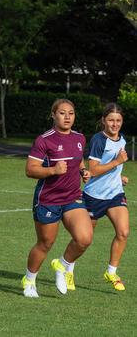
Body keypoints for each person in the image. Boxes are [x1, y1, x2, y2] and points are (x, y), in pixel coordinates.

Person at [22, 98, 92, 298]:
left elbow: (78, 161)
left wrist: (83, 171)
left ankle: (61, 265)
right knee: (45, 243)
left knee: (84, 238)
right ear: (53, 115)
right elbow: (30, 170)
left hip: (72, 197)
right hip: (48, 199)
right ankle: (29, 280)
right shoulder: (44, 140)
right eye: (62, 113)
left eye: (71, 113)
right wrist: (53, 169)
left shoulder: (80, 138)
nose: (67, 117)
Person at [83, 103, 129, 291]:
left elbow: (113, 167)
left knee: (123, 232)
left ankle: (111, 271)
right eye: (111, 120)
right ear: (103, 121)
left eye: (118, 120)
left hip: (115, 194)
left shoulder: (123, 139)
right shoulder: (98, 140)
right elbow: (92, 170)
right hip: (94, 196)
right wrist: (117, 162)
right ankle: (68, 268)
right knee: (83, 240)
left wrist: (119, 176)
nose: (114, 124)